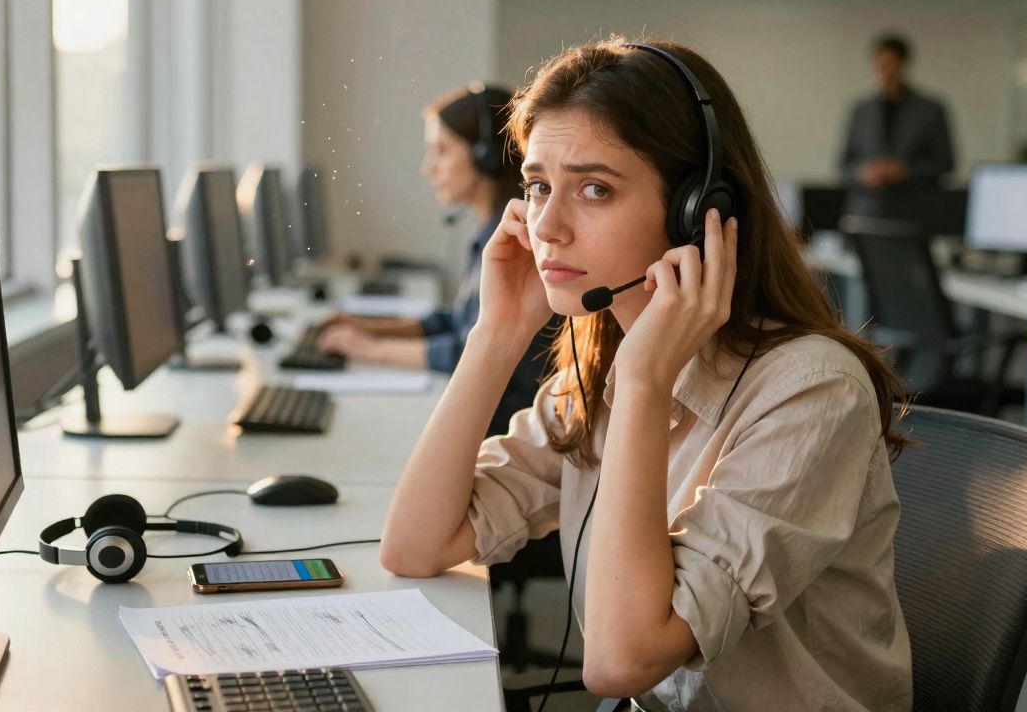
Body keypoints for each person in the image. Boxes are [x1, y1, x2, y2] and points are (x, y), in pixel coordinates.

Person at [380, 36, 913, 710]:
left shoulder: (811, 391)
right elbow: (415, 546)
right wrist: (496, 335)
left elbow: (620, 661)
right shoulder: (598, 364)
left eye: (594, 189)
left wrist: (642, 385)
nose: (545, 226)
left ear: (699, 211)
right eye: (538, 187)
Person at [319, 83, 559, 437]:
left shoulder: (519, 243)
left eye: (441, 151)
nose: (428, 168)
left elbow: (470, 349)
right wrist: (366, 326)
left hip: (504, 431)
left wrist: (373, 349)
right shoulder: (489, 232)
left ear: (485, 155)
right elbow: (456, 321)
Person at [839, 32, 955, 219]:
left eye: (889, 64)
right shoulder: (860, 110)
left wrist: (905, 171)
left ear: (902, 64)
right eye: (879, 65)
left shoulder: (930, 110)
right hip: (866, 211)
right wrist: (863, 174)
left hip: (913, 213)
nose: (883, 71)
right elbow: (844, 164)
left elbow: (945, 163)